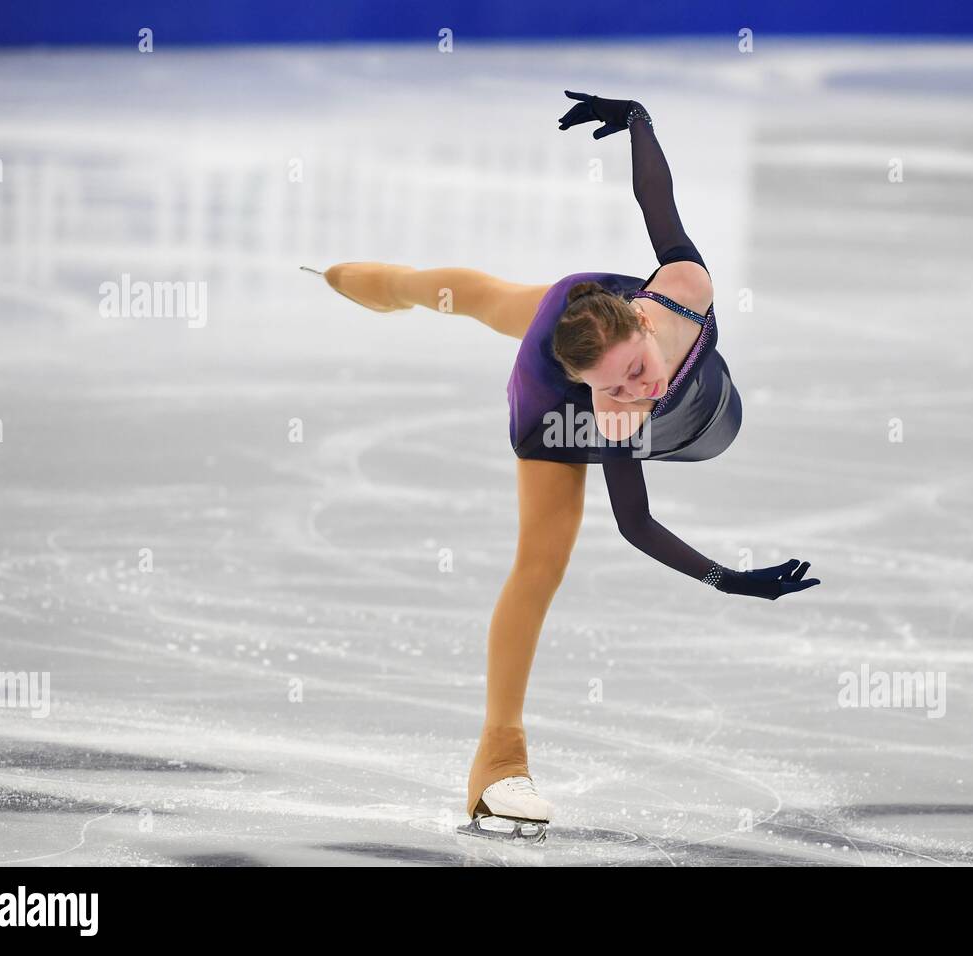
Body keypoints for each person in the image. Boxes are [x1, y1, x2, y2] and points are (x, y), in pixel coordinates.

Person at [307, 91, 819, 838]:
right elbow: (636, 522)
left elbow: (658, 204)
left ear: (644, 320)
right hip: (550, 389)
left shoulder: (680, 295)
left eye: (637, 369)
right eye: (616, 388)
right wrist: (725, 578)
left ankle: (385, 285)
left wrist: (639, 119)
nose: (638, 388)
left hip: (578, 307)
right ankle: (498, 761)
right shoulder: (600, 405)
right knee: (540, 563)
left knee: (486, 297)